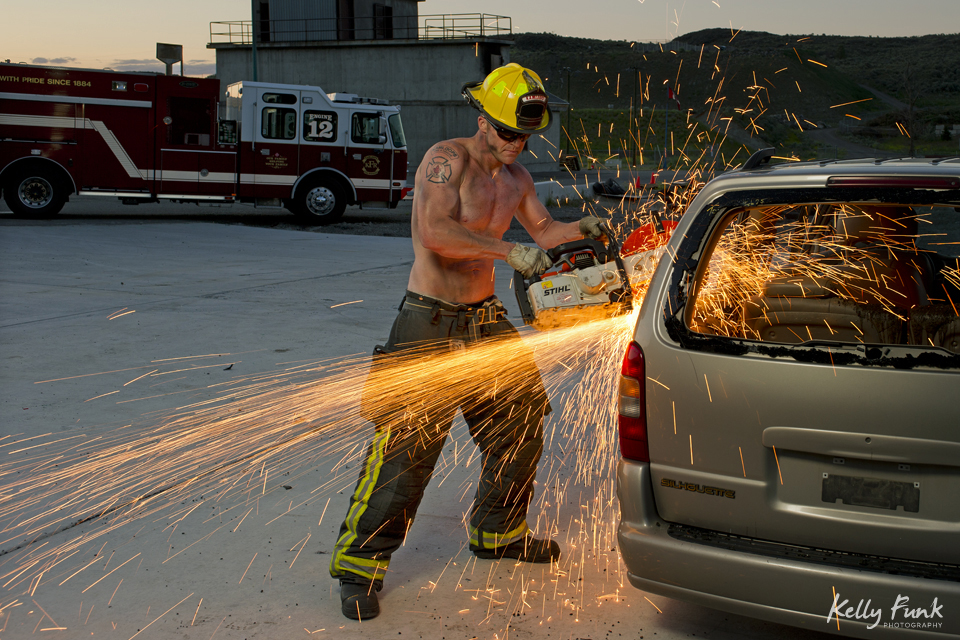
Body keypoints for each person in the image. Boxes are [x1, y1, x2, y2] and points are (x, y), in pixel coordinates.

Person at [329, 63, 605, 621]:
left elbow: (545, 232)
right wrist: (506, 252)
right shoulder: (445, 160)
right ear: (483, 120)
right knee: (408, 450)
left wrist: (585, 227)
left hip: (485, 319)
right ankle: (359, 565)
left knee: (522, 420)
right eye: (506, 133)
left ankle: (498, 533)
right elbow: (435, 231)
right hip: (429, 323)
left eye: (524, 136)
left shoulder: (518, 179)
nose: (514, 144)